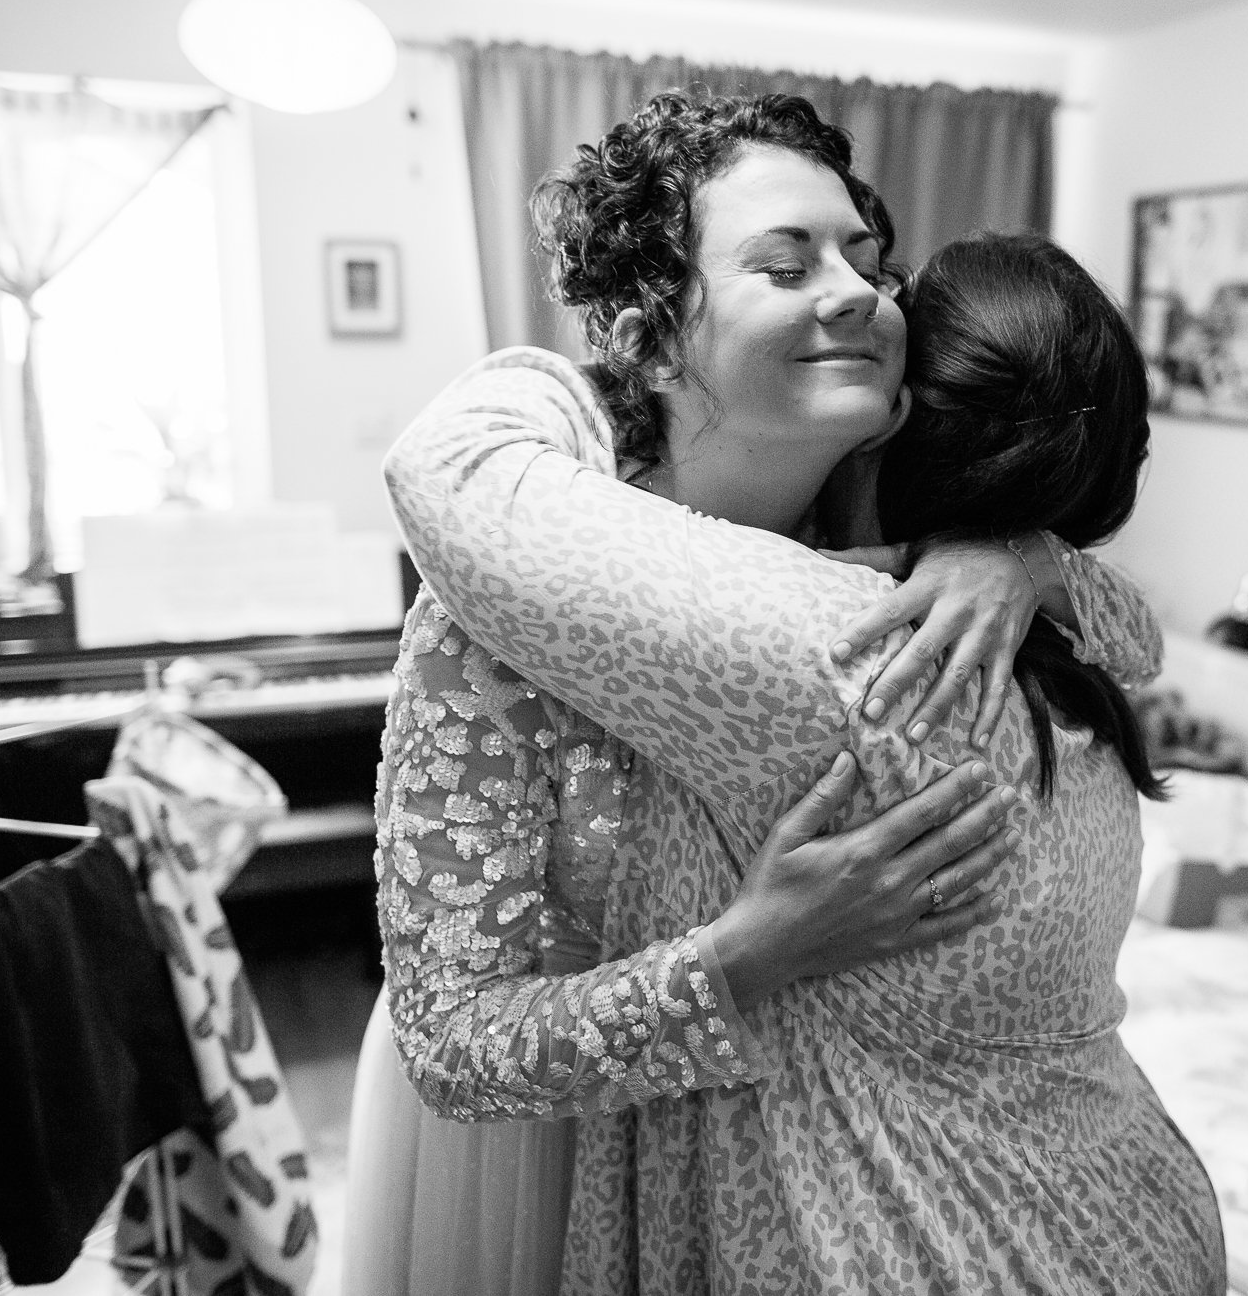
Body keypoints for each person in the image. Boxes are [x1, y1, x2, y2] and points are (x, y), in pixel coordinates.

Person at [344, 92, 1169, 1295]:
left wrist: (1023, 555)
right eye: (785, 263)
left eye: (867, 261)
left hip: (804, 1179)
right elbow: (455, 1043)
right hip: (545, 1161)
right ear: (647, 332)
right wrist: (746, 954)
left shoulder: (880, 539)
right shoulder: (497, 609)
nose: (855, 293)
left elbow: (1135, 638)